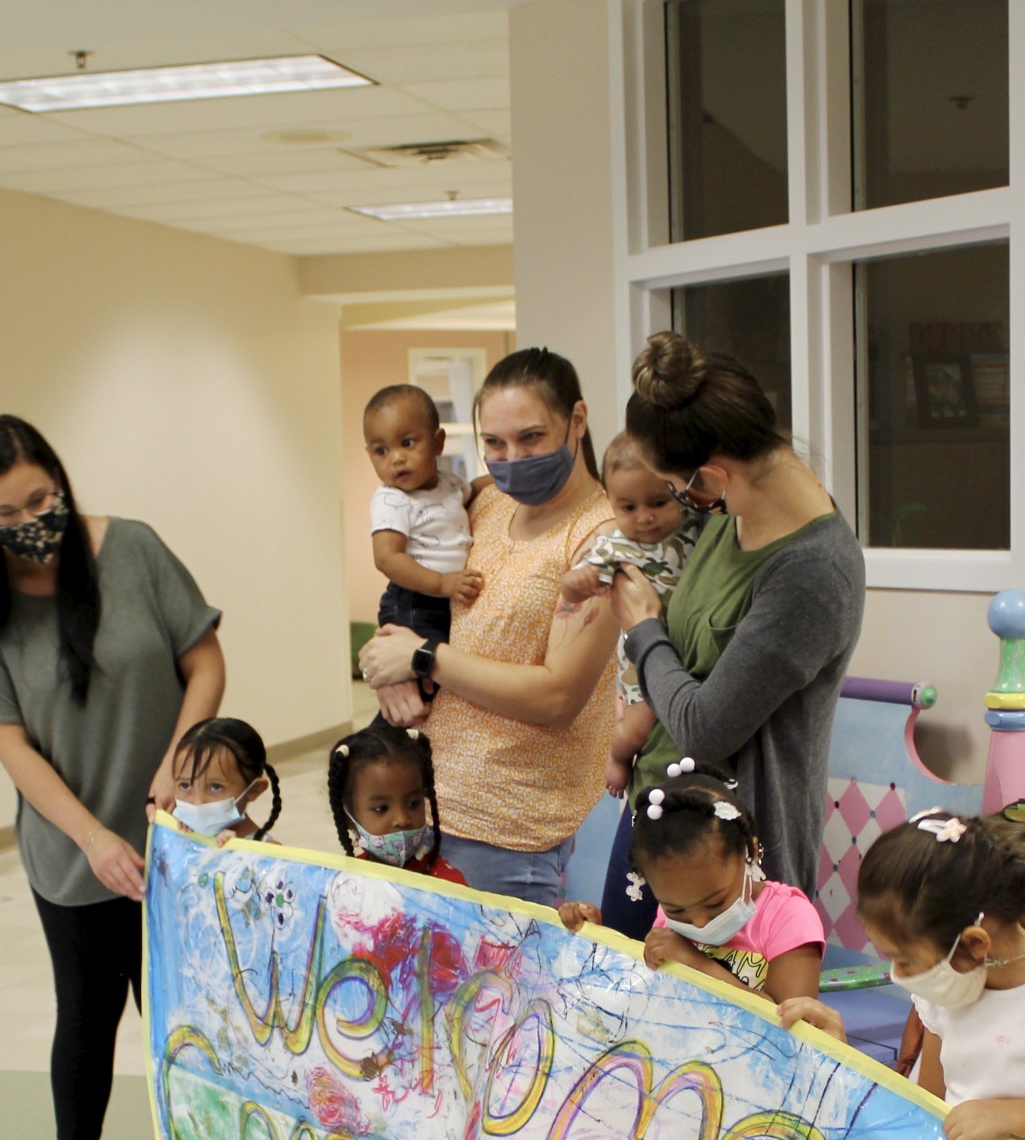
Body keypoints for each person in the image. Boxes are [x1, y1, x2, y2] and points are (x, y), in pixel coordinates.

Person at [0, 414, 224, 1140]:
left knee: (182, 1020)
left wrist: (180, 763)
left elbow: (205, 658)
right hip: (69, 854)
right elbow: (8, 741)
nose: (33, 518)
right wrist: (90, 838)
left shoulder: (133, 550)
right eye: (8, 512)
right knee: (86, 1015)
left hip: (171, 837)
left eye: (44, 496)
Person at [608, 331, 864, 914]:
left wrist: (644, 631)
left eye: (672, 490)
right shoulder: (730, 515)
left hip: (730, 863)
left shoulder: (814, 573)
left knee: (719, 1002)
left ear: (712, 478)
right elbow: (690, 656)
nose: (675, 502)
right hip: (658, 815)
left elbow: (705, 727)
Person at [357, 348, 619, 907]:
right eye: (494, 443)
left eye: (530, 438)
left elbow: (557, 696)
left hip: (509, 826)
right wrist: (387, 663)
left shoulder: (600, 539)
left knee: (499, 994)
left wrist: (424, 658)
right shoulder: (487, 501)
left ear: (577, 420)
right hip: (427, 802)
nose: (511, 458)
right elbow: (413, 594)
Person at [784, 803, 1025, 1140]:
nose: (901, 976)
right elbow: (926, 1109)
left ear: (973, 943)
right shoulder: (951, 987)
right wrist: (842, 1059)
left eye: (905, 960)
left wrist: (1017, 1116)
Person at [558, 765, 825, 1004]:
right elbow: (646, 998)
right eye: (676, 911)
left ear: (750, 852)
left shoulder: (788, 918)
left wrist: (698, 965)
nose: (698, 923)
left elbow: (795, 1038)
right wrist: (597, 941)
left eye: (716, 902)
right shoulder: (672, 913)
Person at [559, 432, 704, 804]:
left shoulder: (693, 527)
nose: (645, 517)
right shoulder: (614, 547)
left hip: (686, 657)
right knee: (640, 724)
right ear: (610, 503)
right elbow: (571, 593)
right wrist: (578, 582)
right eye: (628, 508)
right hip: (641, 662)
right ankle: (617, 754)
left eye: (657, 501)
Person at [361, 383, 483, 726]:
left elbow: (476, 492)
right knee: (417, 685)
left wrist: (504, 486)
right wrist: (442, 583)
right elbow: (387, 558)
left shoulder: (449, 485)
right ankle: (381, 742)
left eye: (407, 443)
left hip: (442, 599)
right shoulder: (392, 500)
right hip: (413, 602)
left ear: (439, 442)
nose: (395, 458)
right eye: (381, 450)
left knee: (442, 677)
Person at [326, 722, 466, 884]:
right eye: (382, 808)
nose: (402, 819)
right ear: (348, 818)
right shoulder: (343, 887)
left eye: (413, 803)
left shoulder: (450, 887)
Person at [168, 716, 280, 842]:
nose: (198, 802)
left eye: (215, 787)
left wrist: (233, 853)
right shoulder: (175, 832)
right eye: (185, 785)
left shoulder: (267, 851)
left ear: (254, 790)